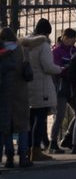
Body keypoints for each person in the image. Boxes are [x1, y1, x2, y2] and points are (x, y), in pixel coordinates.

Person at [25, 18, 60, 162]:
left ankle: (26, 150)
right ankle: (36, 150)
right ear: (46, 32)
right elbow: (47, 66)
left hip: (27, 85)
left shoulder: (25, 44)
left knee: (29, 119)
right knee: (40, 119)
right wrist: (60, 69)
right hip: (41, 86)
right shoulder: (43, 45)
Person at [2, 27, 34, 167]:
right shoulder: (22, 50)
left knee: (6, 127)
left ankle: (9, 157)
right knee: (22, 126)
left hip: (4, 92)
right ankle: (23, 157)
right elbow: (28, 71)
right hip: (21, 91)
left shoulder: (2, 52)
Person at [49, 28, 76, 154]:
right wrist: (66, 67)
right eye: (72, 40)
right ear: (65, 38)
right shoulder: (56, 51)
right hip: (61, 85)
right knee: (59, 116)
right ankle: (53, 142)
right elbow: (55, 68)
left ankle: (68, 136)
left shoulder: (75, 50)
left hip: (72, 85)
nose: (73, 43)